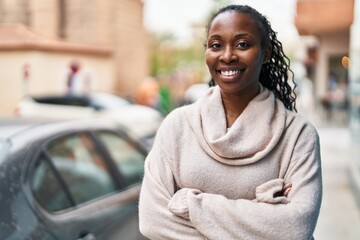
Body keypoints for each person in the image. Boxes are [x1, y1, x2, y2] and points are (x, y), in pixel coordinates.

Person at [139, 4, 322, 240]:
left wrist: (193, 205)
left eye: (242, 44)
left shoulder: (297, 134)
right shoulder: (177, 126)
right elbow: (152, 220)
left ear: (266, 53)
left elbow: (296, 227)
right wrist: (262, 214)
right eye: (216, 45)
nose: (227, 55)